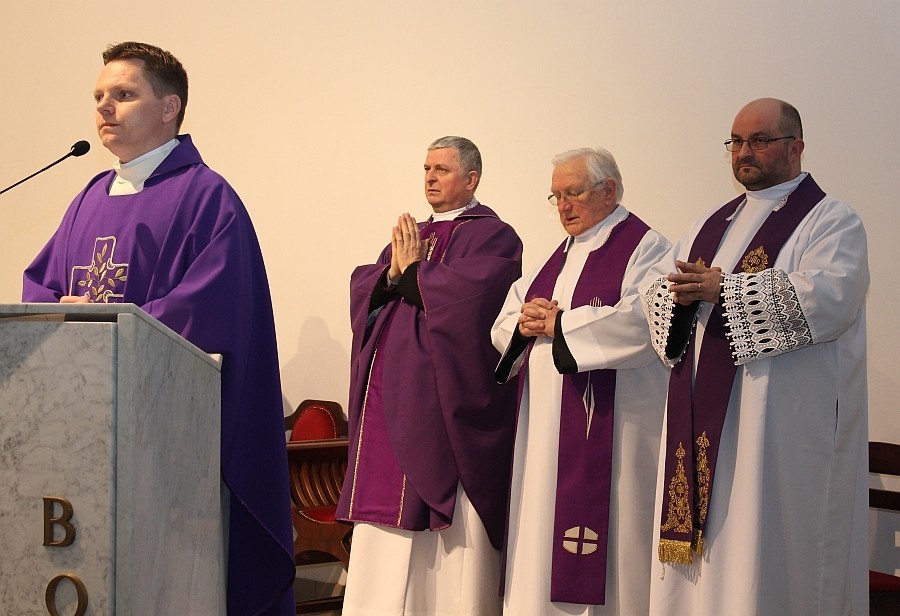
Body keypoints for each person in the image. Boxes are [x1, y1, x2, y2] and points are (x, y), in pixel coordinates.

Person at [22, 42, 294, 615]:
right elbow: (40, 285)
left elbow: (214, 306)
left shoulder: (207, 197)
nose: (104, 107)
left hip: (167, 437)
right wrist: (64, 312)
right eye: (99, 96)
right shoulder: (89, 197)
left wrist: (107, 323)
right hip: (83, 421)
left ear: (169, 108)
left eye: (124, 94)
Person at [640, 98, 869, 615]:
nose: (744, 152)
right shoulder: (710, 224)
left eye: (759, 141)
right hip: (705, 420)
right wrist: (676, 295)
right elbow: (658, 289)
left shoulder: (831, 221)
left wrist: (725, 291)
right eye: (736, 142)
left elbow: (830, 297)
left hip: (779, 428)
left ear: (796, 147)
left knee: (764, 548)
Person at [335, 136, 523, 615]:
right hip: (387, 395)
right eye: (426, 169)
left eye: (441, 169)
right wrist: (390, 275)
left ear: (471, 179)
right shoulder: (410, 235)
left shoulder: (494, 236)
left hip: (439, 401)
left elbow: (475, 299)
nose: (430, 179)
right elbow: (370, 286)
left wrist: (414, 274)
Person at [491, 148, 671, 615]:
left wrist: (562, 324)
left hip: (617, 428)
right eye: (556, 197)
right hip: (545, 434)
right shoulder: (556, 257)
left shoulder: (647, 248)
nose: (563, 206)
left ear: (608, 190)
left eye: (573, 193)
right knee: (541, 523)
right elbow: (505, 320)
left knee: (615, 537)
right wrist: (525, 323)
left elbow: (644, 324)